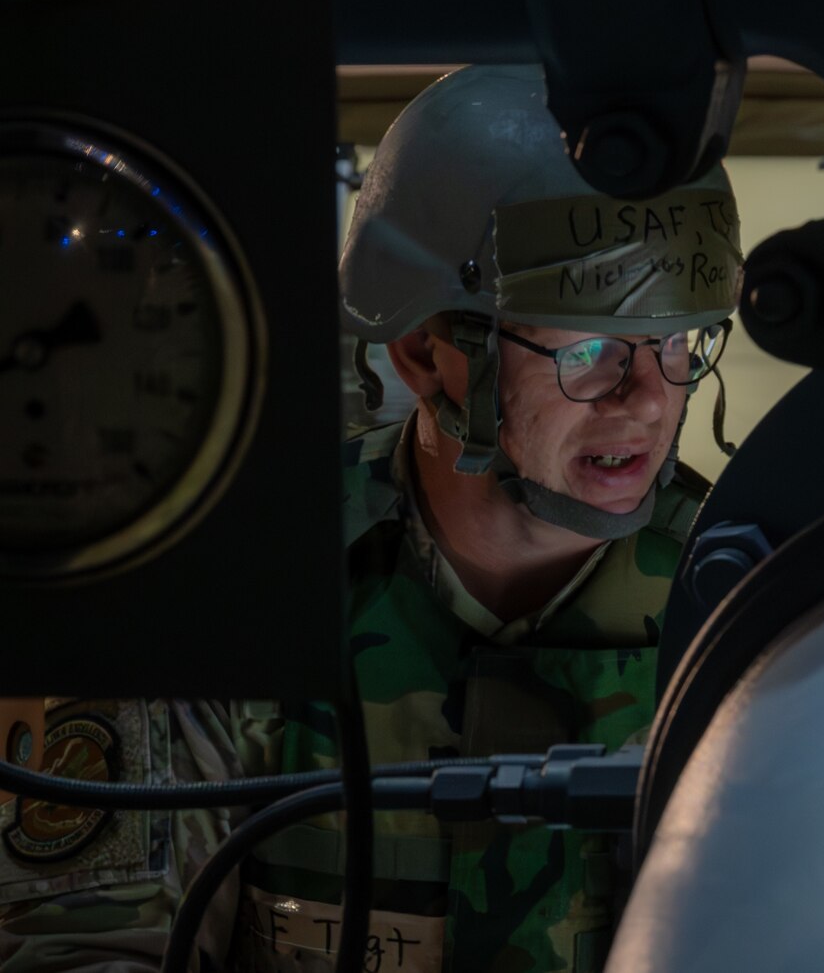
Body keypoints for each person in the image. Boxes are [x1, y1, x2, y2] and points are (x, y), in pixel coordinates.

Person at [0, 64, 744, 972]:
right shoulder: (223, 585)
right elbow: (84, 945)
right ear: (425, 352)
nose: (646, 401)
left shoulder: (745, 606)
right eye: (587, 351)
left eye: (679, 343)